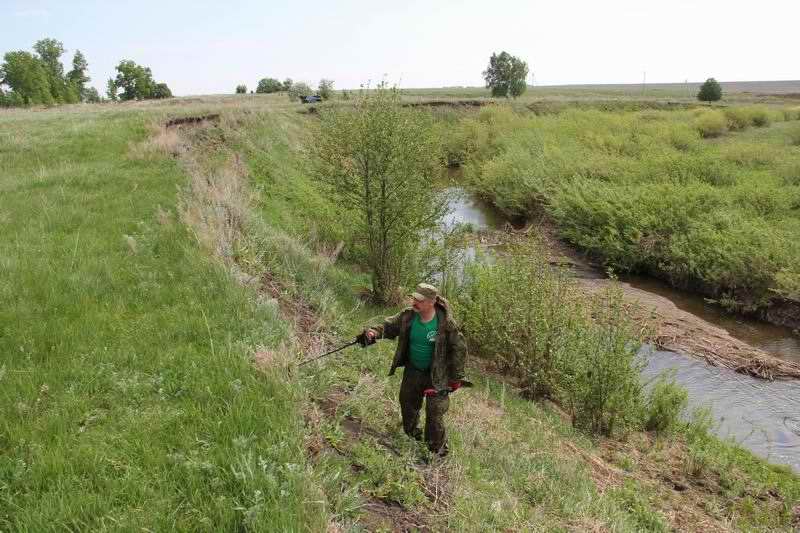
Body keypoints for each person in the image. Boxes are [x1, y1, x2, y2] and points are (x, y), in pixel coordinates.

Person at [361, 283, 467, 456]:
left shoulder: (445, 324)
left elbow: (459, 349)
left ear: (431, 302)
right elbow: (389, 326)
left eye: (419, 300)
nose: (414, 302)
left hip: (437, 376)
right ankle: (413, 436)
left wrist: (455, 378)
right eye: (414, 298)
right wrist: (373, 333)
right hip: (413, 371)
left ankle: (437, 451)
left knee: (434, 413)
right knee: (407, 404)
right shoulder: (408, 316)